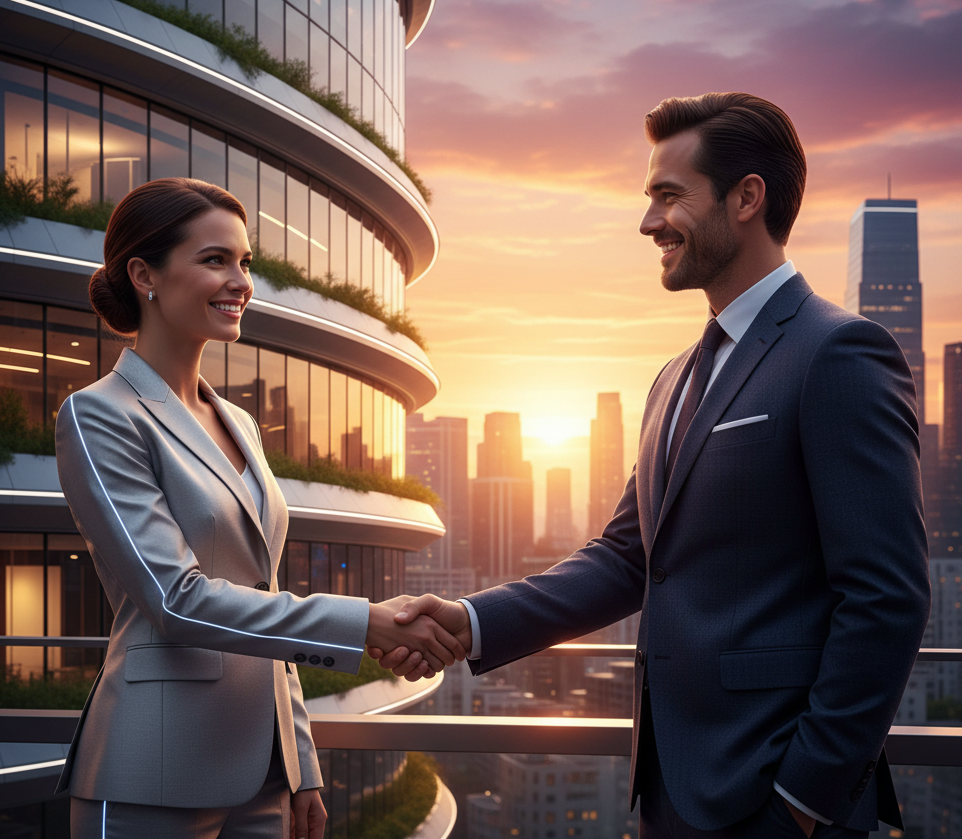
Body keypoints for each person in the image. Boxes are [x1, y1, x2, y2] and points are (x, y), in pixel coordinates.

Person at [374, 93, 931, 837]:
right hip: (670, 789)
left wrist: (803, 798)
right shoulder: (673, 379)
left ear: (747, 198)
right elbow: (628, 558)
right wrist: (472, 620)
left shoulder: (838, 353)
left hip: (775, 792)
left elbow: (887, 596)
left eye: (669, 196)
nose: (648, 222)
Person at [55, 177, 463, 838]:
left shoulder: (239, 423)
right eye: (215, 259)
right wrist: (365, 624)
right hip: (152, 772)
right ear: (143, 275)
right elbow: (175, 599)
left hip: (262, 776)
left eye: (245, 262)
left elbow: (261, 593)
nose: (240, 280)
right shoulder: (100, 414)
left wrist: (299, 762)